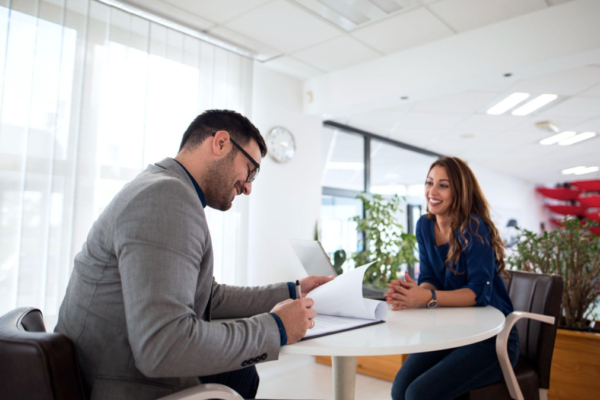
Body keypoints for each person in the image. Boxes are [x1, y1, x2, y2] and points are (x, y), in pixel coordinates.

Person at [55, 110, 333, 400]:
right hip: (120, 382)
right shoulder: (166, 198)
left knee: (241, 373)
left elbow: (209, 296)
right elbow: (163, 346)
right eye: (251, 170)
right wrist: (276, 327)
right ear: (221, 143)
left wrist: (295, 291)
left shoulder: (162, 186)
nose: (249, 187)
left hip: (106, 366)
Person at [384, 157, 519, 400]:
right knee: (399, 389)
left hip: (492, 338)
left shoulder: (474, 228)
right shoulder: (424, 225)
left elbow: (479, 293)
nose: (432, 192)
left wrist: (426, 296)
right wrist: (414, 294)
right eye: (429, 182)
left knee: (418, 394)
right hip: (452, 331)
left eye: (443, 185)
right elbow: (429, 277)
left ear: (460, 191)